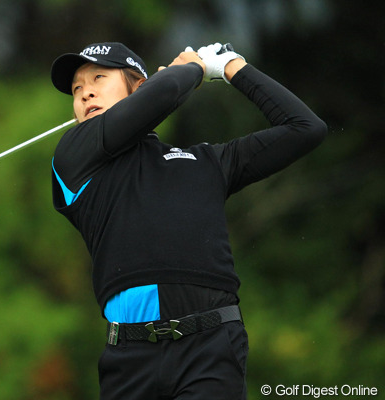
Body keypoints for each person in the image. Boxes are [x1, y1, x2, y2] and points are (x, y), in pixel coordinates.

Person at [49, 41, 327, 400]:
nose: (85, 93)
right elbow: (162, 94)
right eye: (77, 89)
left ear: (138, 86)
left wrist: (231, 67)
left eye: (98, 78)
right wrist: (193, 68)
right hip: (129, 360)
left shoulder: (207, 161)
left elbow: (306, 128)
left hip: (211, 348)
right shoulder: (73, 157)